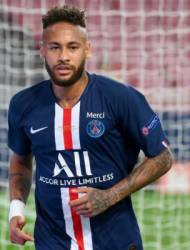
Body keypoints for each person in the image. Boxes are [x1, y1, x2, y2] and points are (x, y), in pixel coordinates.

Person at [8, 5, 172, 250]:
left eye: (72, 47)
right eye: (55, 47)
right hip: (52, 242)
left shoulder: (120, 98)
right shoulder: (23, 104)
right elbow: (20, 159)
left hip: (115, 241)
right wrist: (16, 209)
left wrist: (110, 196)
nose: (63, 56)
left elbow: (162, 157)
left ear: (87, 49)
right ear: (42, 50)